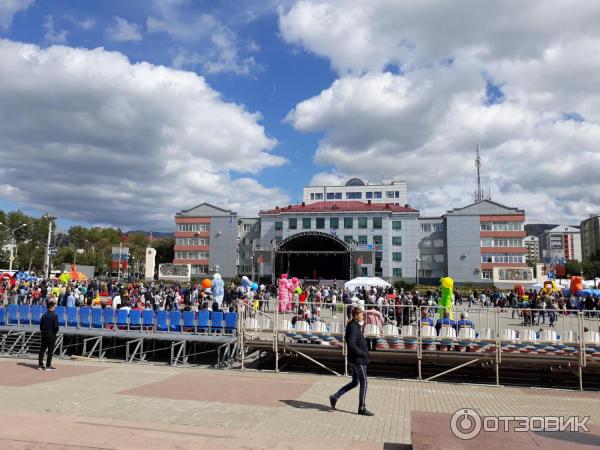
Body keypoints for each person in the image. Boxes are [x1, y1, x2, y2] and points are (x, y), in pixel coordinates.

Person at [329, 307, 374, 416]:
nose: (363, 316)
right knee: (364, 382)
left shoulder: (353, 325)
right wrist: (361, 353)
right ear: (356, 315)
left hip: (354, 359)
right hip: (358, 360)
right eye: (361, 315)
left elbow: (347, 339)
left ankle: (335, 396)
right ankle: (361, 408)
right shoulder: (353, 326)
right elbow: (351, 343)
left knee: (355, 382)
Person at [39, 300, 59, 371]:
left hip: (44, 334)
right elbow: (56, 327)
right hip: (51, 334)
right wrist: (55, 332)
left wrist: (43, 331)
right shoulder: (55, 315)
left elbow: (41, 326)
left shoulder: (43, 315)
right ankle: (48, 365)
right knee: (50, 351)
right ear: (52, 307)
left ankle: (40, 365)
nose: (55, 308)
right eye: (54, 306)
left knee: (42, 350)